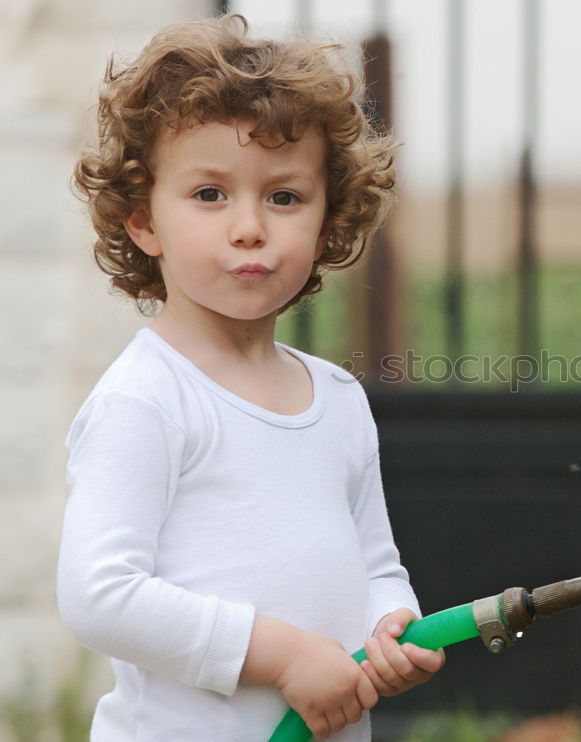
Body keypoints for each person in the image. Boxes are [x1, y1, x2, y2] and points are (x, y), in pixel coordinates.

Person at [56, 14, 444, 741]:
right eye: (209, 194)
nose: (249, 227)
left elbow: (375, 562)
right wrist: (284, 655)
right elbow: (98, 595)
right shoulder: (147, 399)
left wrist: (393, 622)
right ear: (143, 221)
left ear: (327, 225)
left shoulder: (336, 398)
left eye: (284, 197)